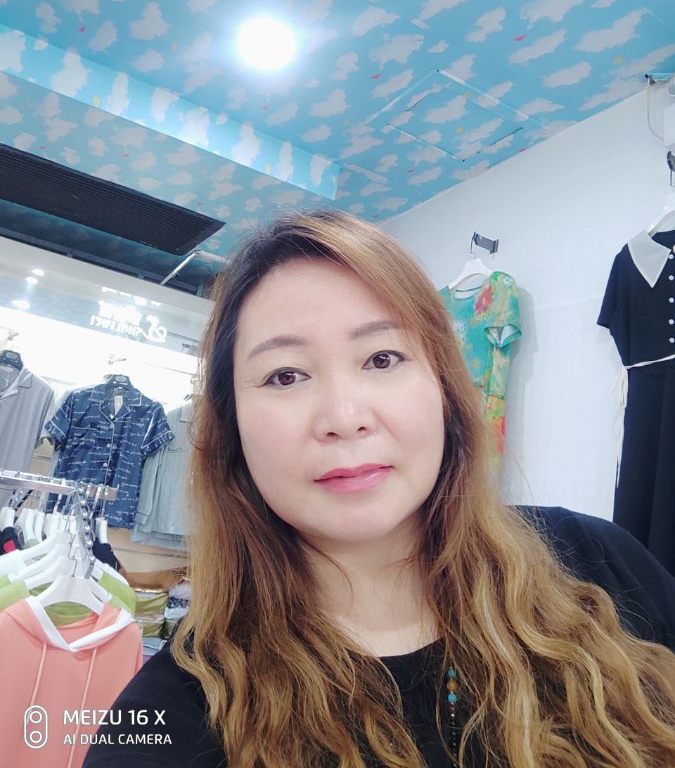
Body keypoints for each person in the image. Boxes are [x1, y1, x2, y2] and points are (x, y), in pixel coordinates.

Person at [85, 209, 675, 768]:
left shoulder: (599, 563)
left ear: (444, 388)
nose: (344, 418)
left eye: (383, 358)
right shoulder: (176, 712)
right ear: (231, 424)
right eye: (285, 375)